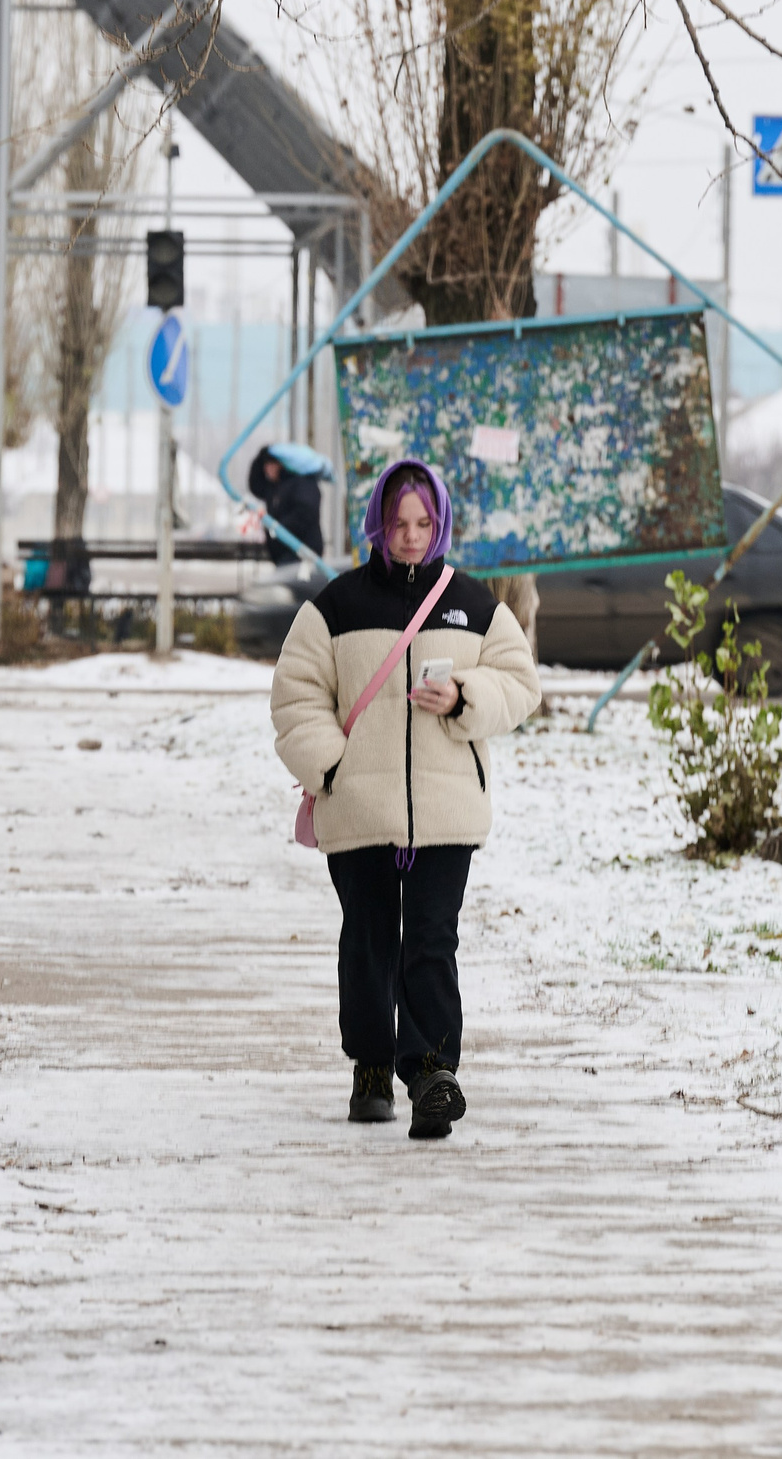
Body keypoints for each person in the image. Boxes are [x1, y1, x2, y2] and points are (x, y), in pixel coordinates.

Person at [270, 459, 540, 1140]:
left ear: (441, 522)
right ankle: (369, 1068)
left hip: (447, 813)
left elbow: (519, 683)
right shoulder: (336, 606)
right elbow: (296, 694)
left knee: (429, 940)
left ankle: (430, 1075)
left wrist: (465, 696)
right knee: (368, 942)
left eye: (423, 523)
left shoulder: (475, 605)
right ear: (378, 525)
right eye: (398, 523)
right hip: (359, 809)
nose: (412, 536)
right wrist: (330, 767)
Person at [248, 448, 326, 560]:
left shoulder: (302, 483)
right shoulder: (275, 487)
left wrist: (277, 526)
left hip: (302, 552)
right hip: (282, 553)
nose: (266, 470)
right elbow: (255, 485)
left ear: (280, 465)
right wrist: (260, 456)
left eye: (270, 464)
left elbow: (306, 513)